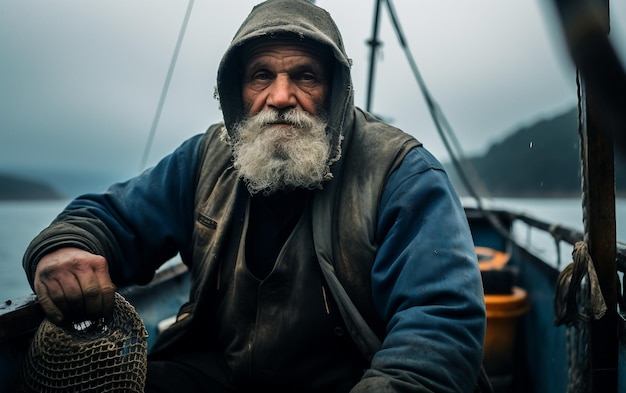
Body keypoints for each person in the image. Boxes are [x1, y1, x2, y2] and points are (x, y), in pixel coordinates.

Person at [22, 0, 486, 391]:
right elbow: (112, 217)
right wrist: (65, 247)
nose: (280, 96)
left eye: (305, 76)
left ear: (335, 91)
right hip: (221, 372)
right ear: (237, 92)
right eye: (261, 75)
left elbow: (442, 325)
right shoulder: (206, 158)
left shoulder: (402, 173)